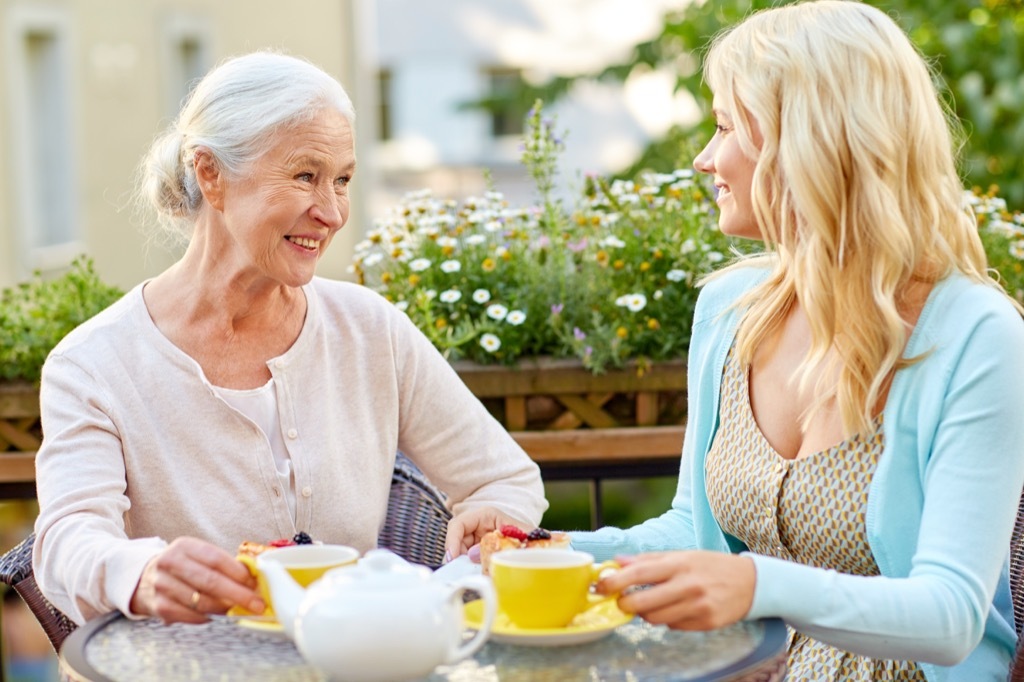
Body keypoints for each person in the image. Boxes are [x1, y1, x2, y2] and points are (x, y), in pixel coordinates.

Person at [570, 2, 1024, 680]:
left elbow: (952, 615)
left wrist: (758, 586)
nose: (704, 158)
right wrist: (557, 549)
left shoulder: (977, 336)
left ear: (811, 142)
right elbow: (695, 532)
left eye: (725, 126)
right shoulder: (730, 311)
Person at [32, 50, 547, 626]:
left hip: (353, 660)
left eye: (343, 180)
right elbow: (67, 541)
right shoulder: (94, 364)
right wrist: (139, 574)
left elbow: (504, 476)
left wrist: (491, 512)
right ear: (210, 174)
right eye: (305, 176)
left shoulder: (370, 329)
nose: (331, 212)